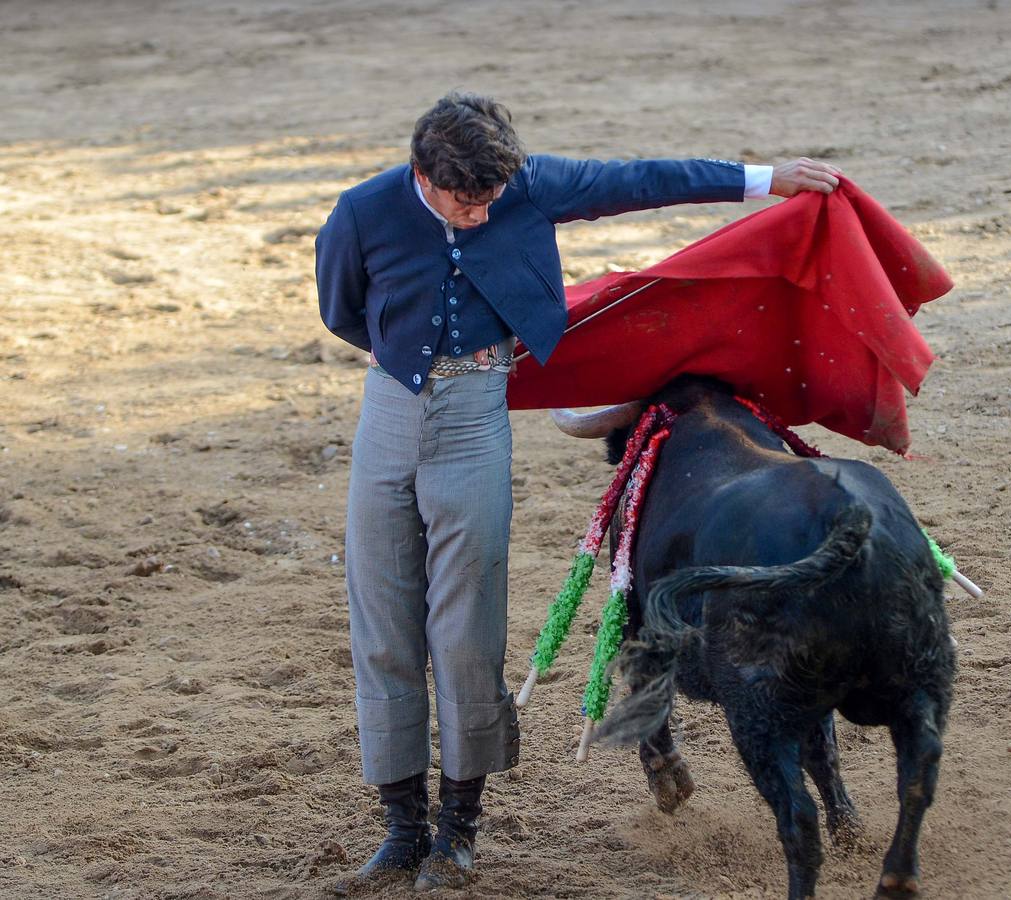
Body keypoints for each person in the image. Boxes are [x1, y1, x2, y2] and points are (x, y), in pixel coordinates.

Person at [314, 91, 842, 893]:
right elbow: (343, 310)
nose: (483, 213)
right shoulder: (362, 211)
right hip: (387, 413)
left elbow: (640, 179)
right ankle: (399, 830)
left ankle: (457, 832)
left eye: (494, 198)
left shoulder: (529, 185)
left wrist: (767, 179)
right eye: (466, 200)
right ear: (422, 174)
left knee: (466, 629)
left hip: (474, 422)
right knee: (383, 624)